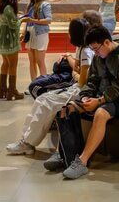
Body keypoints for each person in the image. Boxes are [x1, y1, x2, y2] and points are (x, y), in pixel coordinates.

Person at [46, 26, 119, 179]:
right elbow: (93, 80)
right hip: (104, 96)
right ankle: (63, 154)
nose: (95, 53)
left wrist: (100, 100)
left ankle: (82, 161)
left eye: (96, 49)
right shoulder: (99, 57)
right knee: (66, 109)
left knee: (101, 113)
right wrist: (86, 96)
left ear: (107, 42)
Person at [6, 17, 96, 155]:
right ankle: (24, 140)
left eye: (69, 31)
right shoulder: (82, 48)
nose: (68, 33)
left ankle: (28, 143)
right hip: (76, 86)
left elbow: (81, 80)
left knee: (46, 103)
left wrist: (75, 74)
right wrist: (75, 72)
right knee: (41, 99)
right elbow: (76, 69)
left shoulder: (87, 51)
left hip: (82, 91)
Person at [0, 0, 24, 100]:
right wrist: (21, 19)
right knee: (13, 64)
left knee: (5, 63)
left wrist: (15, 16)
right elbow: (13, 25)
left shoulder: (1, 5)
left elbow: (8, 19)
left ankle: (2, 89)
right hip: (9, 38)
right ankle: (12, 91)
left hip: (2, 36)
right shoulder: (8, 8)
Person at [22, 0, 52, 83]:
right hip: (30, 33)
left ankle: (43, 84)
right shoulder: (30, 5)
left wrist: (33, 20)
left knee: (40, 60)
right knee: (32, 61)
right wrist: (23, 32)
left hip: (40, 33)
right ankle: (33, 84)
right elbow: (27, 21)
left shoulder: (45, 5)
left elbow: (48, 20)